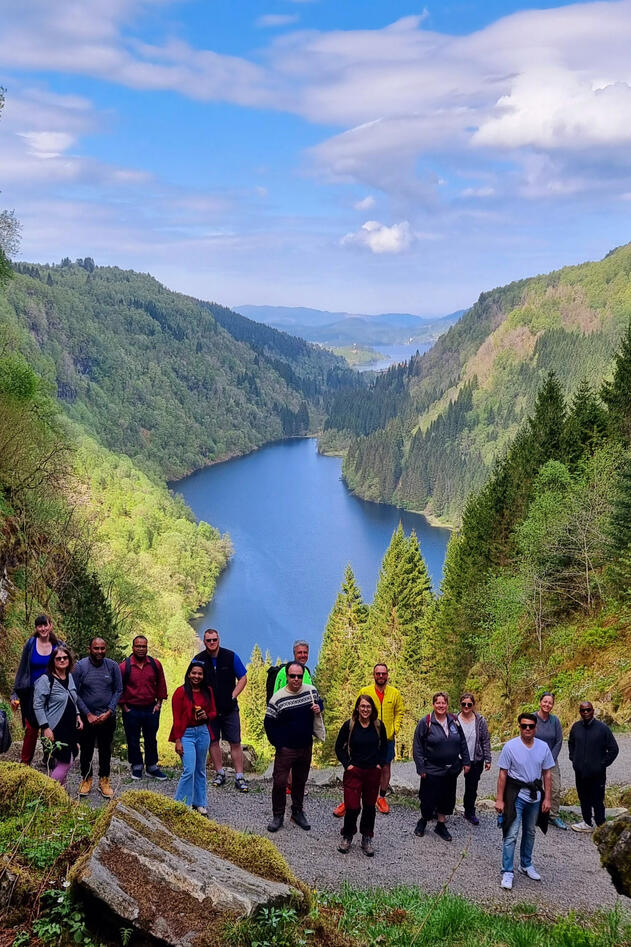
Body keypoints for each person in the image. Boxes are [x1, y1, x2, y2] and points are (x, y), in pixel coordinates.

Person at [333, 663, 403, 818]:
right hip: (364, 734)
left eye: (383, 673)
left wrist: (394, 729)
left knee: (384, 767)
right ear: (373, 675)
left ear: (387, 675)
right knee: (354, 767)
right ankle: (348, 801)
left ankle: (381, 797)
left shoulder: (394, 693)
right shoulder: (365, 691)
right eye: (378, 673)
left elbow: (400, 712)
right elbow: (358, 709)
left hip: (386, 736)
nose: (381, 676)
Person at [495, 712, 554, 891]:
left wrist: (548, 798)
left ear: (535, 728)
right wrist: (499, 800)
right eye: (523, 726)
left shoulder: (543, 747)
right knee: (511, 832)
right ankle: (507, 871)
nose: (527, 729)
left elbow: (547, 774)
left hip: (534, 796)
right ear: (519, 727)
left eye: (530, 726)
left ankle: (526, 864)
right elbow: (502, 774)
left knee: (530, 832)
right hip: (516, 794)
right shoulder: (510, 747)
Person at [264, 661, 324, 832]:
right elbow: (269, 723)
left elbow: (320, 704)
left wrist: (319, 708)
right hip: (286, 749)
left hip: (305, 745)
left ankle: (297, 812)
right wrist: (278, 744)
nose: (296, 679)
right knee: (280, 782)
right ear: (287, 676)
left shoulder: (310, 691)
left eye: (299, 676)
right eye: (292, 676)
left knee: (300, 781)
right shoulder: (278, 698)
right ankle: (277, 816)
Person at [195, 629, 249, 792]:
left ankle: (239, 776)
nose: (212, 643)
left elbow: (243, 677)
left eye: (214, 640)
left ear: (219, 640)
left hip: (229, 708)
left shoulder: (230, 656)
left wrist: (233, 695)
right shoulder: (199, 659)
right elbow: (193, 679)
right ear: (204, 642)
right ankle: (220, 773)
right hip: (208, 709)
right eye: (208, 640)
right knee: (212, 741)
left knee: (235, 741)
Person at [413, 692, 470, 841]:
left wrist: (466, 761)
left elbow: (462, 742)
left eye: (443, 703)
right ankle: (423, 821)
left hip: (451, 769)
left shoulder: (454, 720)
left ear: (447, 704)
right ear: (433, 705)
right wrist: (421, 768)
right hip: (432, 768)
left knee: (447, 797)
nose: (441, 706)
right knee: (428, 797)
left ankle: (441, 824)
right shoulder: (426, 722)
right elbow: (417, 746)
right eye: (438, 703)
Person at [335, 695, 388, 856]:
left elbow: (384, 748)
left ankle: (367, 837)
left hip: (372, 771)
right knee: (352, 806)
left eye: (368, 707)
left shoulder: (378, 726)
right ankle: (348, 835)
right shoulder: (350, 725)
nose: (365, 709)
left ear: (372, 709)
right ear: (357, 708)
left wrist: (379, 764)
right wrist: (347, 764)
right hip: (354, 771)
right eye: (362, 706)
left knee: (370, 807)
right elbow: (339, 747)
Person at [74, 637, 123, 799]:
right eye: (96, 648)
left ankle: (104, 780)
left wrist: (109, 711)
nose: (100, 652)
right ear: (90, 649)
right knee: (86, 749)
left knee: (105, 749)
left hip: (107, 717)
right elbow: (75, 692)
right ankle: (86, 779)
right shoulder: (81, 667)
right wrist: (87, 713)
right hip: (87, 717)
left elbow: (118, 690)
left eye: (102, 648)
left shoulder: (112, 666)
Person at [11, 615, 61, 765]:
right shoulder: (31, 644)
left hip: (52, 692)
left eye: (45, 625)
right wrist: (15, 692)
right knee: (31, 728)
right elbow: (22, 669)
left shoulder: (58, 645)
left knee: (50, 726)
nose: (43, 629)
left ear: (51, 626)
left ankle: (49, 759)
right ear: (36, 628)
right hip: (31, 693)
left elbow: (66, 668)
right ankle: (25, 762)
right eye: (39, 626)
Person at [169, 660, 218, 814]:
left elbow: (214, 712)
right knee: (189, 769)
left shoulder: (207, 691)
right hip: (186, 734)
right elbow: (176, 718)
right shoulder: (180, 692)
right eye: (194, 673)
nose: (196, 676)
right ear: (189, 674)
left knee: (200, 769)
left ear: (203, 676)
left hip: (203, 732)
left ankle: (200, 802)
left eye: (200, 673)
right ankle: (181, 803)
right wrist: (178, 741)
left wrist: (206, 715)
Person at [119, 636, 168, 780]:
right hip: (131, 709)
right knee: (133, 739)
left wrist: (159, 704)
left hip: (150, 709)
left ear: (147, 647)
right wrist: (124, 706)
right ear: (133, 647)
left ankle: (152, 766)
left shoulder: (155, 664)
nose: (141, 649)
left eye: (143, 646)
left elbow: (161, 684)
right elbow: (118, 688)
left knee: (151, 738)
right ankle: (137, 766)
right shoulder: (124, 666)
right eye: (138, 646)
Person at [32, 646, 83, 786]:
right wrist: (45, 728)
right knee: (66, 761)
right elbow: (37, 705)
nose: (62, 660)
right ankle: (50, 791)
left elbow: (73, 698)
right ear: (53, 661)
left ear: (69, 660)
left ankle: (61, 789)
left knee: (67, 757)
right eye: (58, 658)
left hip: (70, 726)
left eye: (65, 657)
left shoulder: (69, 676)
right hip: (55, 727)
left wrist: (78, 715)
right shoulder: (46, 680)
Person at [568, 701, 619, 833]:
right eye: (583, 710)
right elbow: (571, 743)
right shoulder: (576, 727)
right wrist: (574, 759)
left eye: (588, 710)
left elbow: (614, 749)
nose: (586, 713)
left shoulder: (602, 729)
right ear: (579, 712)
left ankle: (601, 825)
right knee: (583, 798)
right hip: (580, 772)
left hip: (597, 773)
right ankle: (587, 822)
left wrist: (602, 764)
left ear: (593, 711)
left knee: (597, 799)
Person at [457, 692, 491, 825]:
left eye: (469, 704)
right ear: (460, 705)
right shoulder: (454, 719)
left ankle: (469, 811)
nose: (466, 706)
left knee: (471, 788)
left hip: (475, 758)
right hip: (456, 757)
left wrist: (488, 758)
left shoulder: (480, 720)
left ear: (473, 705)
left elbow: (485, 740)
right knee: (447, 784)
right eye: (464, 704)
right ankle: (441, 809)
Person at [534, 692, 565, 830]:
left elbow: (559, 740)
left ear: (552, 705)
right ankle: (531, 813)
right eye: (545, 701)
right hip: (533, 758)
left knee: (555, 788)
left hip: (550, 759)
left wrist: (550, 759)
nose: (547, 704)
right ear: (540, 702)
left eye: (550, 702)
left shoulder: (555, 721)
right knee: (531, 785)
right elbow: (526, 736)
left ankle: (553, 815)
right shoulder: (533, 718)